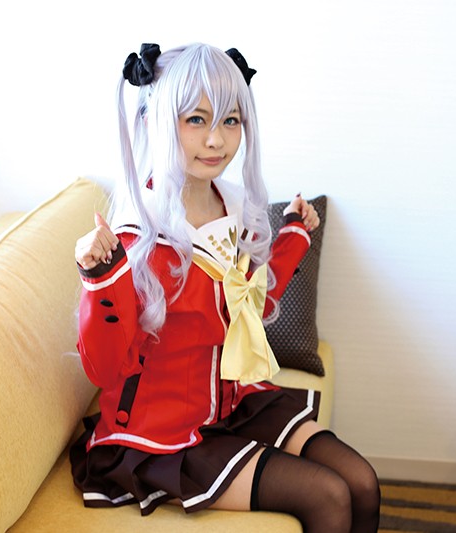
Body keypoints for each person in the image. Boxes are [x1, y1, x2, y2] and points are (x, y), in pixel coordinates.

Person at [71, 42, 380, 532]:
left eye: (230, 120)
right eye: (196, 119)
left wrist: (293, 236)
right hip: (161, 436)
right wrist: (100, 279)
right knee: (329, 496)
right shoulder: (136, 236)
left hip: (232, 401)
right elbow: (104, 369)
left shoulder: (231, 204)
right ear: (156, 121)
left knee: (362, 481)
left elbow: (250, 308)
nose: (216, 140)